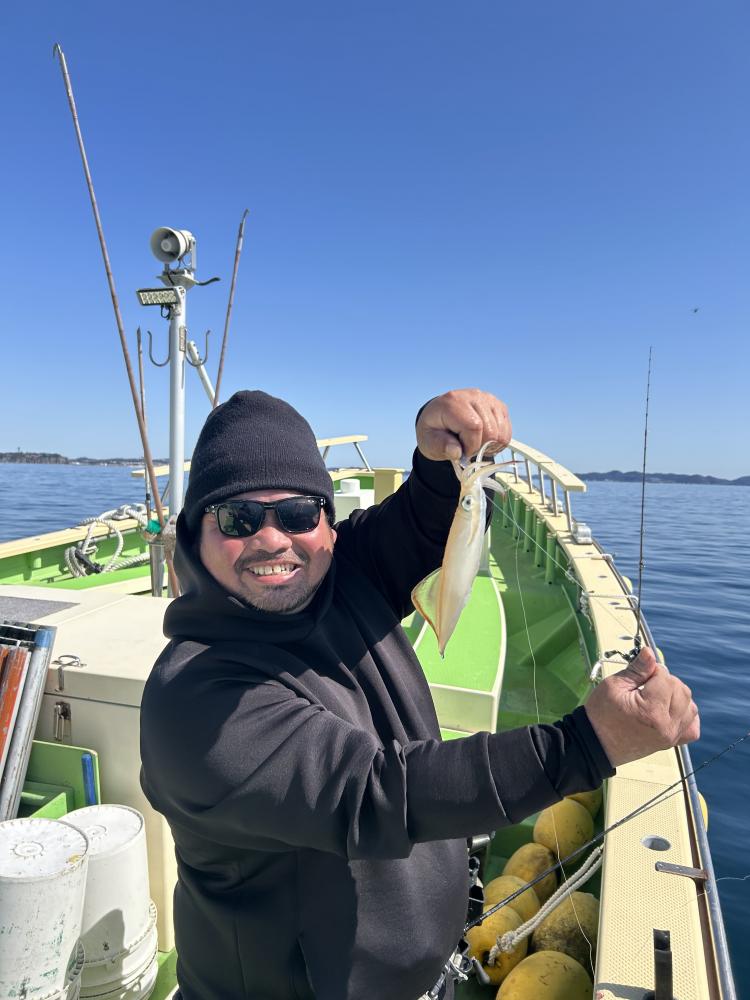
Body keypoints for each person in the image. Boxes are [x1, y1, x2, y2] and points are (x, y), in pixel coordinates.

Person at [140, 387, 699, 1000]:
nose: (274, 540)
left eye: (298, 513)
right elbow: (382, 793)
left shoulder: (338, 575)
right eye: (239, 518)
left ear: (326, 523)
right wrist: (586, 744)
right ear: (194, 534)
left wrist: (441, 456)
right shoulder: (193, 702)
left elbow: (420, 522)